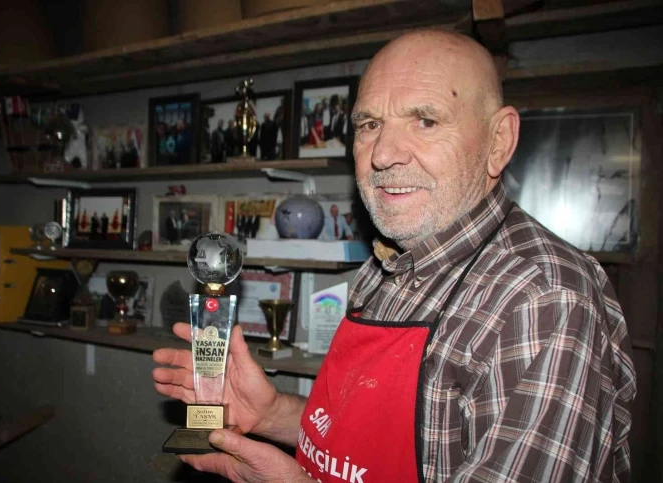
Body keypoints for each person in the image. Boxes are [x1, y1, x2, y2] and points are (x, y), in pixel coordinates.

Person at [152, 29, 636, 482]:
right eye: (369, 124)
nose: (383, 154)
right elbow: (371, 443)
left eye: (425, 120)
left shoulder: (544, 299)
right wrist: (271, 412)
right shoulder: (384, 264)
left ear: (499, 141)